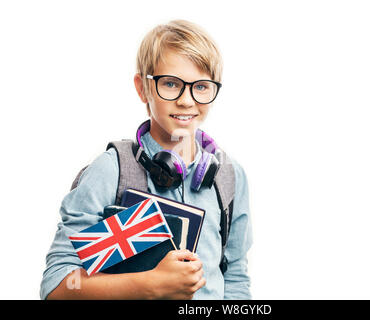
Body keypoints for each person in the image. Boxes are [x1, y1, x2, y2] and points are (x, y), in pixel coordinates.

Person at [40, 19, 252, 300]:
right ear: (143, 88)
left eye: (201, 86)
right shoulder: (110, 171)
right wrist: (151, 285)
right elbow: (57, 286)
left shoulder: (229, 176)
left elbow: (235, 277)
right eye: (170, 83)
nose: (187, 101)